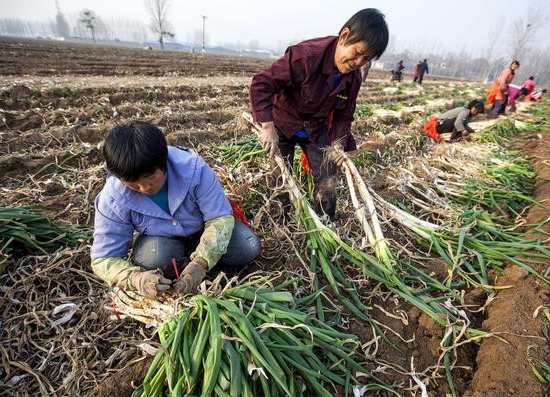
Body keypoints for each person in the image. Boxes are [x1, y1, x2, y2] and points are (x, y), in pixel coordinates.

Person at [90, 121, 261, 299]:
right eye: (132, 183)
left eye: (149, 177)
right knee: (155, 259)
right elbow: (104, 258)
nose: (144, 188)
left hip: (202, 229)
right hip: (161, 241)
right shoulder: (112, 197)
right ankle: (176, 262)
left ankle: (196, 261)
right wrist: (136, 279)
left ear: (163, 162)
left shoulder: (194, 169)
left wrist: (201, 263)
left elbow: (219, 219)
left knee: (247, 246)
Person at [249, 8, 389, 221]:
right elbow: (261, 83)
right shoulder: (306, 56)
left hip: (315, 128)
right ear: (344, 37)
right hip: (283, 123)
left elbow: (344, 115)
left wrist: (338, 145)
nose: (359, 62)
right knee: (280, 176)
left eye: (366, 58)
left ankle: (325, 222)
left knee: (328, 177)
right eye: (358, 52)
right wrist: (267, 127)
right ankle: (281, 223)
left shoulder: (353, 79)